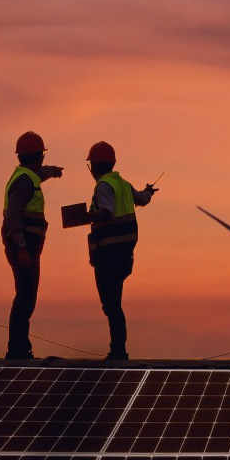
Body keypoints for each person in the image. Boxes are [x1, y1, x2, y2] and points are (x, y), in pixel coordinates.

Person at [83, 141, 157, 360]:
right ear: (112, 163)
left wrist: (87, 217)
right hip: (124, 255)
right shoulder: (122, 184)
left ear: (94, 166)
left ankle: (118, 350)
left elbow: (106, 211)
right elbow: (142, 199)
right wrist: (149, 191)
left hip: (109, 255)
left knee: (111, 304)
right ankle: (118, 348)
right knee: (114, 303)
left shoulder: (104, 186)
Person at [1, 132, 62, 360]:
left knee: (26, 296)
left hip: (28, 247)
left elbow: (37, 174)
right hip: (23, 248)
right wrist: (22, 248)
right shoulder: (25, 181)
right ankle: (17, 350)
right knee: (25, 297)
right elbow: (13, 218)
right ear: (39, 155)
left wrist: (53, 172)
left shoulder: (27, 175)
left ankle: (19, 347)